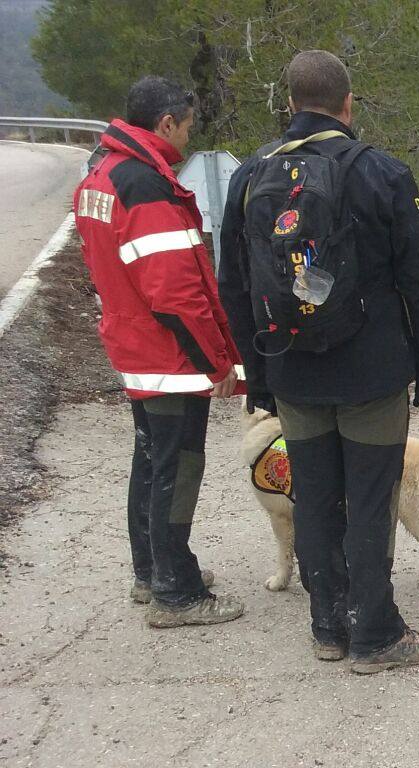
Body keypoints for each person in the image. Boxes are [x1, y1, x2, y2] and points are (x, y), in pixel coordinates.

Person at [219, 50, 419, 672]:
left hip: (292, 370)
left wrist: (258, 376)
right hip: (371, 372)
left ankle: (328, 626)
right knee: (371, 499)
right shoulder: (382, 173)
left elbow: (235, 288)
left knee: (316, 497)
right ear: (348, 105)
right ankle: (375, 634)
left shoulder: (248, 178)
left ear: (289, 104)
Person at [73, 76, 244, 628]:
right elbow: (174, 293)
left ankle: (151, 570)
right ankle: (176, 590)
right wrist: (215, 362)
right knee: (178, 466)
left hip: (134, 346)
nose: (189, 136)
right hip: (167, 356)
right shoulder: (145, 186)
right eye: (188, 125)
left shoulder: (103, 173)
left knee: (149, 461)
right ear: (166, 123)